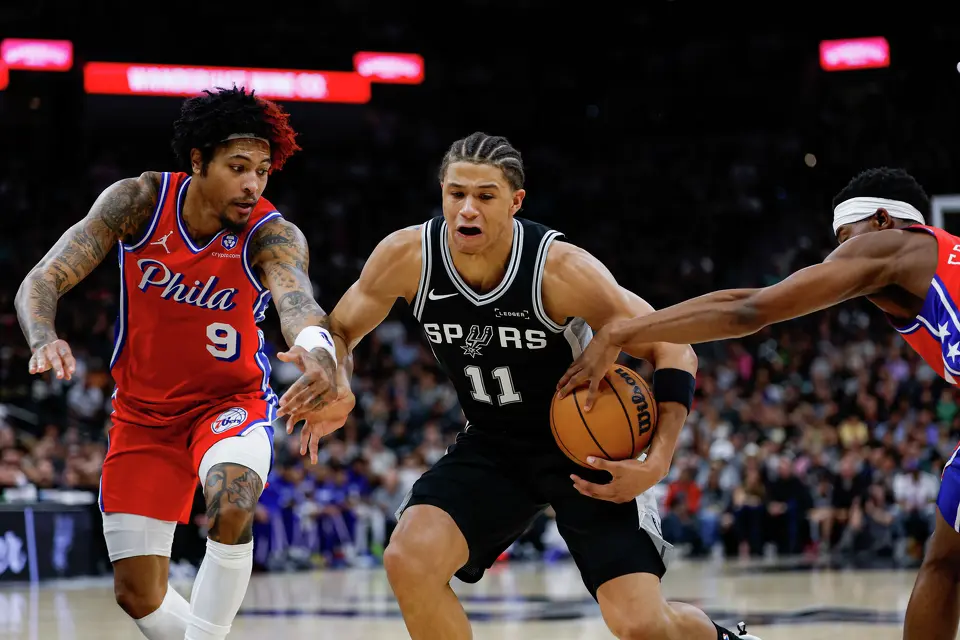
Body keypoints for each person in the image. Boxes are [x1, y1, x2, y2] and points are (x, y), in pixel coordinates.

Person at [281, 132, 757, 640]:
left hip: (587, 449)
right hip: (494, 443)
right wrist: (338, 381)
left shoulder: (559, 269)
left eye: (484, 196)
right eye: (455, 194)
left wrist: (657, 461)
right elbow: (340, 331)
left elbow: (675, 347)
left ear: (515, 201)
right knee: (407, 557)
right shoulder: (407, 256)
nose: (466, 210)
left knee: (640, 624)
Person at [556, 166, 960, 640]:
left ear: (884, 220)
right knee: (945, 560)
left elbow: (748, 308)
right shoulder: (936, 264)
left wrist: (624, 330)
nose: (839, 256)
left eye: (846, 238)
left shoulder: (891, 246)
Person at [15, 86, 345, 640]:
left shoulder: (271, 233)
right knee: (137, 595)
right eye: (238, 167)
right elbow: (43, 277)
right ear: (198, 161)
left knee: (231, 500)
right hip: (142, 416)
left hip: (228, 403)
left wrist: (317, 348)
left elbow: (298, 302)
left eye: (263, 170)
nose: (253, 184)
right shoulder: (138, 203)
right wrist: (43, 336)